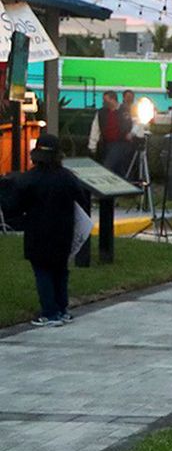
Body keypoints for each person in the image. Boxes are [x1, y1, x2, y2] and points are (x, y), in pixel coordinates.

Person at [7, 135, 90, 327]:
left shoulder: (28, 179)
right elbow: (82, 201)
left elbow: (14, 207)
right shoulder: (68, 177)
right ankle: (62, 309)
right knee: (61, 269)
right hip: (64, 230)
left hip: (38, 232)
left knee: (42, 270)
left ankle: (49, 312)